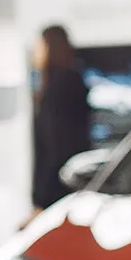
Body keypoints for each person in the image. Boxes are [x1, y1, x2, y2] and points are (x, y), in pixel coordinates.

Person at [30, 24, 93, 213]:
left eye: (38, 47)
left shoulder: (60, 86)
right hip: (63, 190)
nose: (35, 53)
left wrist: (42, 202)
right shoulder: (64, 82)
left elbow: (56, 149)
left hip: (59, 194)